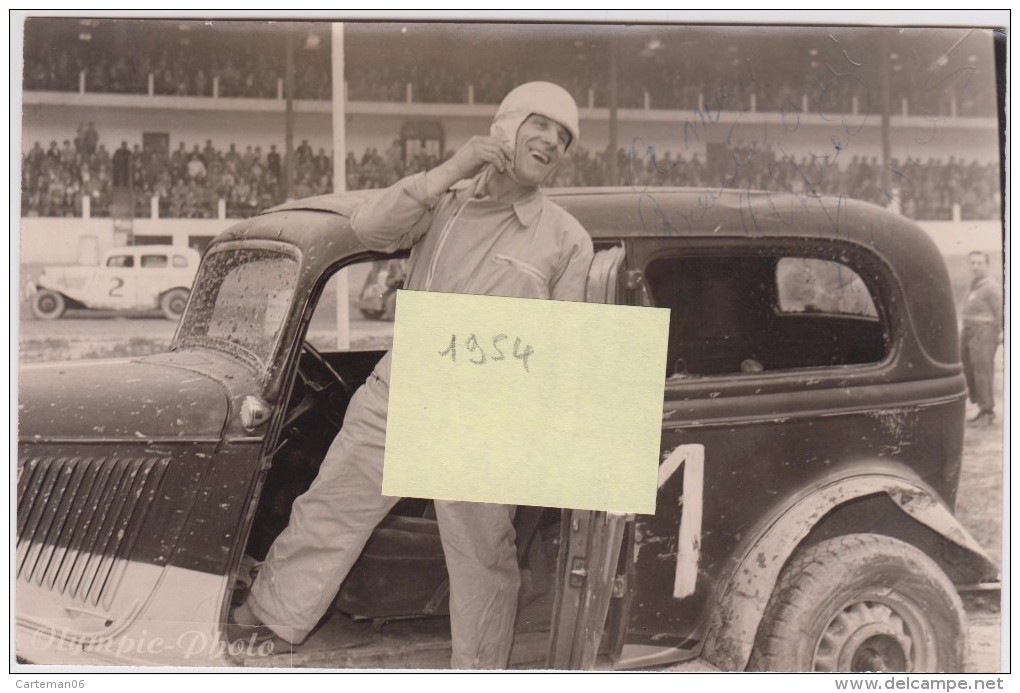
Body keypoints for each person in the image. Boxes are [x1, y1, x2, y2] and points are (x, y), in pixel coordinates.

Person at [229, 82, 593, 669]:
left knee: (482, 554)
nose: (553, 141)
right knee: (329, 507)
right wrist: (453, 167)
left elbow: (568, 348)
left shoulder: (566, 238)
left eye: (564, 137)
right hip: (402, 392)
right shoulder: (443, 204)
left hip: (483, 416)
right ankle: (273, 619)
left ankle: (480, 672)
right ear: (505, 127)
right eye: (541, 125)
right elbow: (372, 230)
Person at [960, 250, 1003, 427]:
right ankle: (980, 407)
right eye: (973, 263)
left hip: (984, 332)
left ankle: (988, 412)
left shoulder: (991, 286)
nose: (976, 267)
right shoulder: (974, 284)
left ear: (987, 265)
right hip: (969, 331)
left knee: (982, 370)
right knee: (968, 368)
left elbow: (1002, 310)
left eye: (980, 263)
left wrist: (1002, 332)